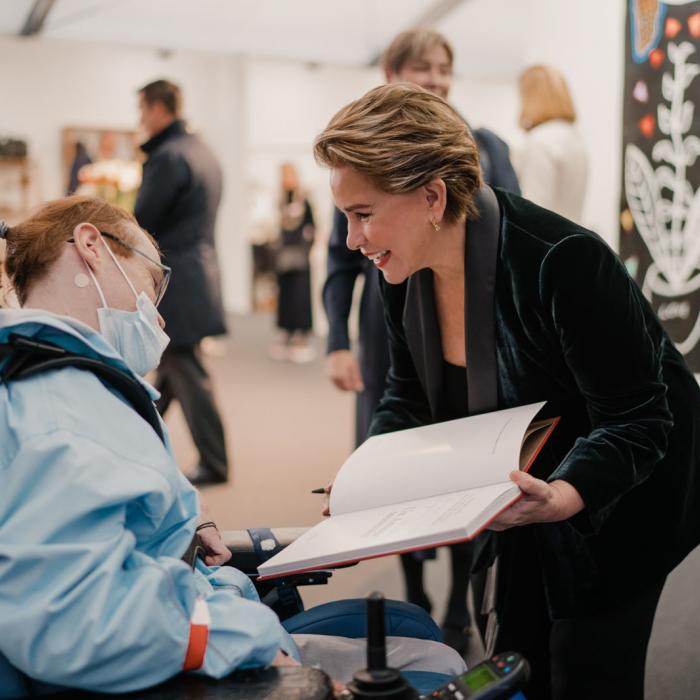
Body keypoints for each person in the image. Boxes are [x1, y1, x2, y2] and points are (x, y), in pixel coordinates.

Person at [313, 83, 700, 700]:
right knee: (513, 657)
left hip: (622, 494)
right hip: (521, 485)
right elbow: (406, 396)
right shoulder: (399, 269)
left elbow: (639, 418)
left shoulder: (562, 261)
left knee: (587, 665)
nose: (353, 239)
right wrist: (367, 472)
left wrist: (569, 495)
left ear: (433, 196)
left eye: (363, 213)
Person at [0, 197, 465, 697]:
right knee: (438, 664)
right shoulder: (60, 411)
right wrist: (258, 644)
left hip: (192, 621)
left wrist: (185, 526)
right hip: (186, 662)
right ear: (92, 247)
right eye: (151, 283)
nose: (157, 320)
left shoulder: (68, 384)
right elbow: (73, 621)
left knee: (423, 642)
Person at [323, 27, 520, 653]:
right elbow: (341, 258)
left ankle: (464, 606)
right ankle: (412, 589)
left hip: (465, 324)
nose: (434, 77)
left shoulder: (483, 145)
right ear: (390, 71)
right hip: (391, 328)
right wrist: (336, 339)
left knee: (468, 461)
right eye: (420, 67)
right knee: (395, 458)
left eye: (442, 67)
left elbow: (507, 232)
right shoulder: (359, 157)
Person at [135, 79, 229, 486]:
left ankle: (215, 462)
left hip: (177, 280)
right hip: (198, 271)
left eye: (141, 110)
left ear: (158, 109)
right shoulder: (201, 151)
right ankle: (138, 443)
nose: (139, 120)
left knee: (186, 371)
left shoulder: (168, 156)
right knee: (172, 372)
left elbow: (143, 221)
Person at [514, 65, 588, 224]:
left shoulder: (539, 142)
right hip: (572, 238)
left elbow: (534, 211)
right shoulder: (575, 139)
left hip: (547, 244)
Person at [269, 162, 316, 364]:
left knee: (300, 296)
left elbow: (313, 226)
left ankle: (301, 336)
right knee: (286, 296)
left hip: (300, 256)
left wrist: (307, 248)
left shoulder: (304, 198)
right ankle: (286, 333)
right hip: (283, 256)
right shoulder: (280, 199)